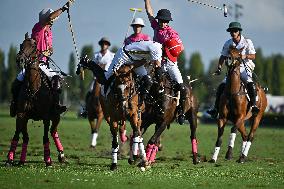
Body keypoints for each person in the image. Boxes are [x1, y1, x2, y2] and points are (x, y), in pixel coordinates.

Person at [10, 3, 70, 117]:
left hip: (44, 64)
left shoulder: (49, 31)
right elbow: (50, 17)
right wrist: (63, 8)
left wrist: (50, 50)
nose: (52, 21)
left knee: (56, 80)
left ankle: (56, 105)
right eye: (51, 19)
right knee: (18, 81)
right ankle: (15, 104)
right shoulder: (39, 26)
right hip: (33, 62)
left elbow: (50, 47)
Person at [144, 0, 185, 125]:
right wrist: (147, 1)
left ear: (168, 22)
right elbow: (149, 13)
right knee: (144, 80)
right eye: (161, 21)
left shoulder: (172, 33)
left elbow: (181, 48)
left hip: (170, 63)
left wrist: (167, 46)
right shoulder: (156, 27)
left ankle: (181, 111)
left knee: (181, 86)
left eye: (165, 21)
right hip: (156, 62)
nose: (163, 23)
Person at [207, 21, 259, 118]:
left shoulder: (247, 42)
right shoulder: (228, 43)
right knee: (222, 85)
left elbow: (253, 56)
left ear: (239, 32)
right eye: (231, 31)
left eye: (235, 31)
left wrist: (244, 56)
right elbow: (223, 56)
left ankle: (254, 105)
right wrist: (219, 67)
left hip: (245, 67)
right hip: (232, 68)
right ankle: (215, 108)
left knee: (249, 82)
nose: (232, 33)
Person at [88, 40, 163, 105]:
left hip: (134, 59)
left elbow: (143, 61)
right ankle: (88, 63)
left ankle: (139, 104)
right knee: (105, 78)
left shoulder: (158, 49)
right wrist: (160, 83)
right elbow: (158, 68)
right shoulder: (157, 49)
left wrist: (131, 67)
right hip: (123, 55)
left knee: (147, 81)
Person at [80, 37, 114, 118]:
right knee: (89, 92)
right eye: (102, 44)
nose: (103, 45)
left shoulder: (112, 55)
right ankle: (86, 109)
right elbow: (92, 66)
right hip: (96, 79)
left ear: (108, 45)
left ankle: (112, 109)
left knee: (112, 91)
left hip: (107, 79)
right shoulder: (96, 55)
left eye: (105, 44)